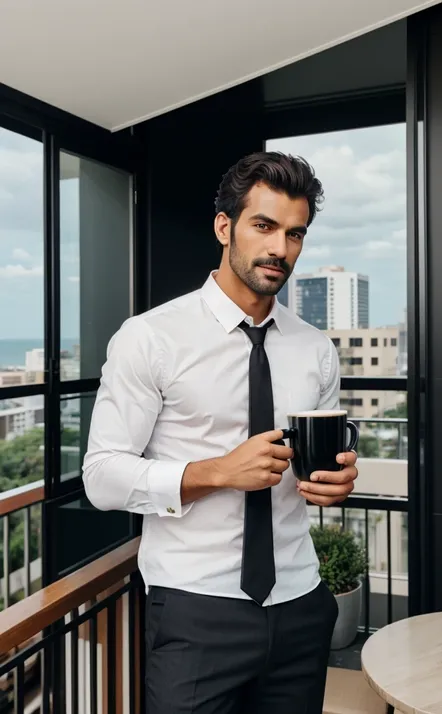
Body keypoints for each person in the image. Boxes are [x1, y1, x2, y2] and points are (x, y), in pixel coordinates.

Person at [83, 151, 358, 714]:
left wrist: (339, 478)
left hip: (301, 603)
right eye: (264, 226)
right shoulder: (150, 338)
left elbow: (326, 454)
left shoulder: (315, 348)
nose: (281, 248)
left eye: (295, 233)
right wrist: (217, 473)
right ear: (224, 227)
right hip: (194, 611)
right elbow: (102, 477)